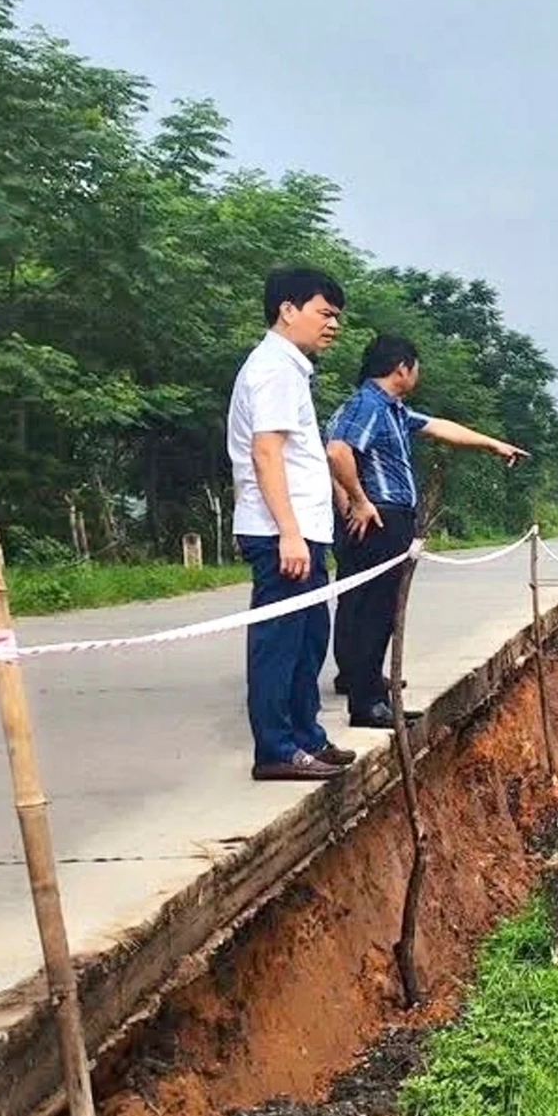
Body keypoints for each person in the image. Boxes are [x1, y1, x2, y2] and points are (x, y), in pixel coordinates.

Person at [326, 334, 529, 729]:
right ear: (401, 368)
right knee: (373, 610)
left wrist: (493, 445)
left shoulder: (393, 409)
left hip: (391, 517)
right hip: (380, 517)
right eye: (415, 367)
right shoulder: (369, 404)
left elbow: (439, 427)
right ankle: (366, 704)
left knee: (377, 608)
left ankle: (369, 689)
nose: (417, 374)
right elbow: (337, 450)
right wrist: (359, 499)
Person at [227, 267, 358, 781]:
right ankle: (277, 749)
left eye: (336, 316)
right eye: (325, 313)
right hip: (282, 533)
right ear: (288, 310)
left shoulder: (290, 369)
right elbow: (266, 453)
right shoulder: (274, 369)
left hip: (302, 531)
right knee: (280, 644)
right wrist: (288, 531)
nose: (333, 325)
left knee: (307, 641)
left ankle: (306, 737)